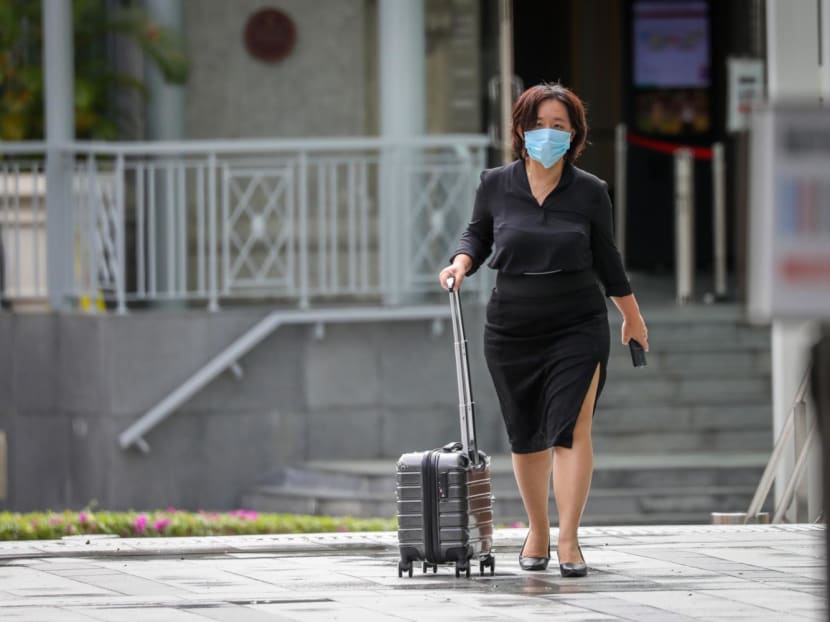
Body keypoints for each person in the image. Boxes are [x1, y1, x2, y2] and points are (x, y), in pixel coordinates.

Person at [438, 83, 649, 577]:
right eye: (539, 124)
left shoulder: (590, 192)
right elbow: (479, 233)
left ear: (574, 135)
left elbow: (607, 259)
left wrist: (632, 316)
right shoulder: (495, 182)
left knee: (572, 430)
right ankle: (537, 529)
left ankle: (570, 539)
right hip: (512, 323)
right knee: (527, 433)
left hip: (577, 320)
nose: (547, 134)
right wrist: (461, 262)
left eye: (559, 126)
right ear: (520, 130)